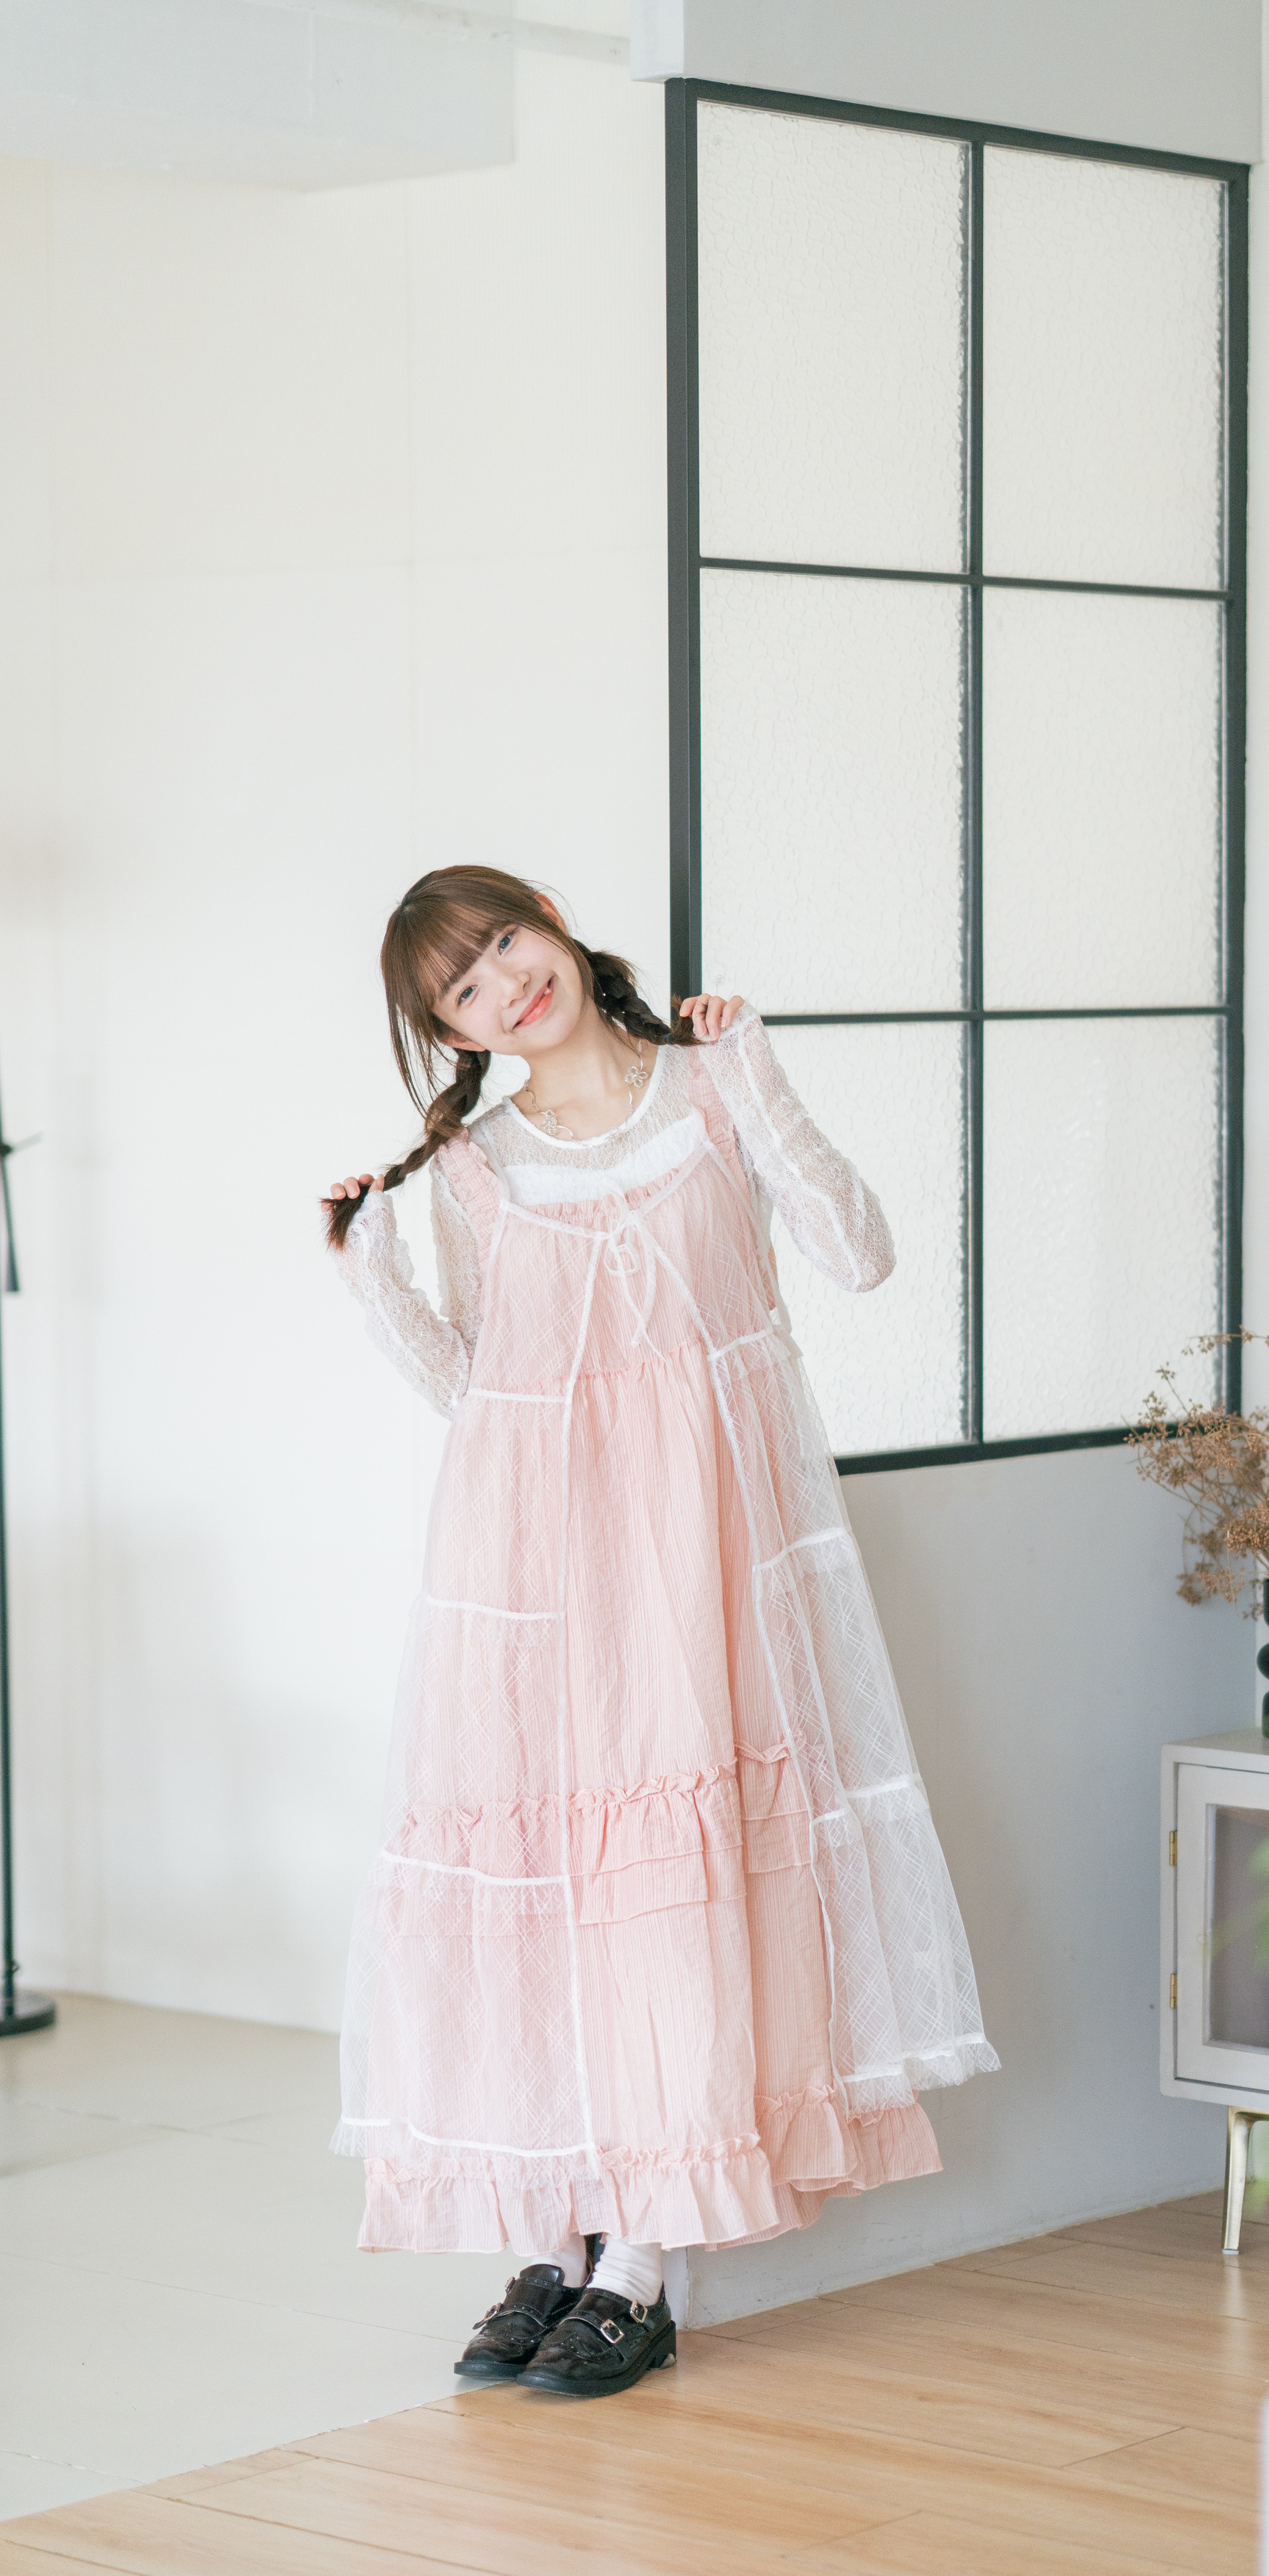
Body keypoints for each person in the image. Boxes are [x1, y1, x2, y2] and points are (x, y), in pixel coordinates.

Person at [322, 867, 995, 2399]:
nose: (507, 986)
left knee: (674, 1888)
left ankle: (644, 2260)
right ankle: (557, 2238)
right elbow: (484, 1398)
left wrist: (758, 1074)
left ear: (551, 919)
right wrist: (373, 1283)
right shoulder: (479, 1168)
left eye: (505, 943)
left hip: (708, 1570)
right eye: (465, 990)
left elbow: (860, 1252)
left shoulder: (707, 1091)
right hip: (534, 1578)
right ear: (454, 1034)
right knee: (553, 1888)